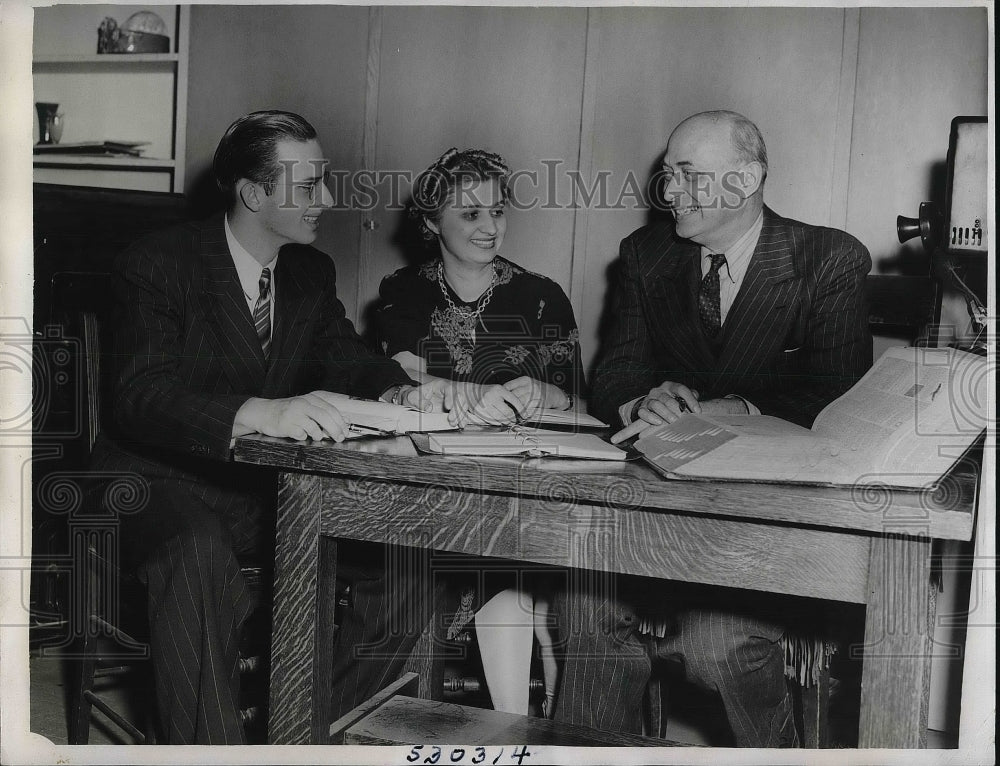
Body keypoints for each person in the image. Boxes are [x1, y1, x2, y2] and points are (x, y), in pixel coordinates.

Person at [88, 110, 445, 744]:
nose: (328, 201)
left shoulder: (309, 273)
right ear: (255, 194)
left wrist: (410, 392)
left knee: (407, 564)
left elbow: (345, 356)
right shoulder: (156, 262)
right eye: (309, 187)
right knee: (197, 552)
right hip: (149, 484)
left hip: (255, 489)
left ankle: (303, 738)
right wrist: (259, 410)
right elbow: (139, 397)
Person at [551, 110, 872, 745]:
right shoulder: (646, 255)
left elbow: (838, 394)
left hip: (769, 527)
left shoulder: (827, 259)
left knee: (717, 642)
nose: (669, 194)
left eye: (688, 176)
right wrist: (643, 399)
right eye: (667, 177)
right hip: (661, 516)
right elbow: (613, 370)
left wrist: (733, 409)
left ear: (747, 179)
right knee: (583, 607)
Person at [374, 147, 587, 715]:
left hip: (518, 486)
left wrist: (546, 393)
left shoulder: (541, 296)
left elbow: (578, 398)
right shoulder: (402, 291)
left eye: (497, 211)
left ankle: (519, 725)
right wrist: (461, 394)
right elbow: (397, 372)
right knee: (476, 575)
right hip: (430, 482)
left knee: (513, 571)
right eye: (470, 215)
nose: (490, 227)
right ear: (430, 224)